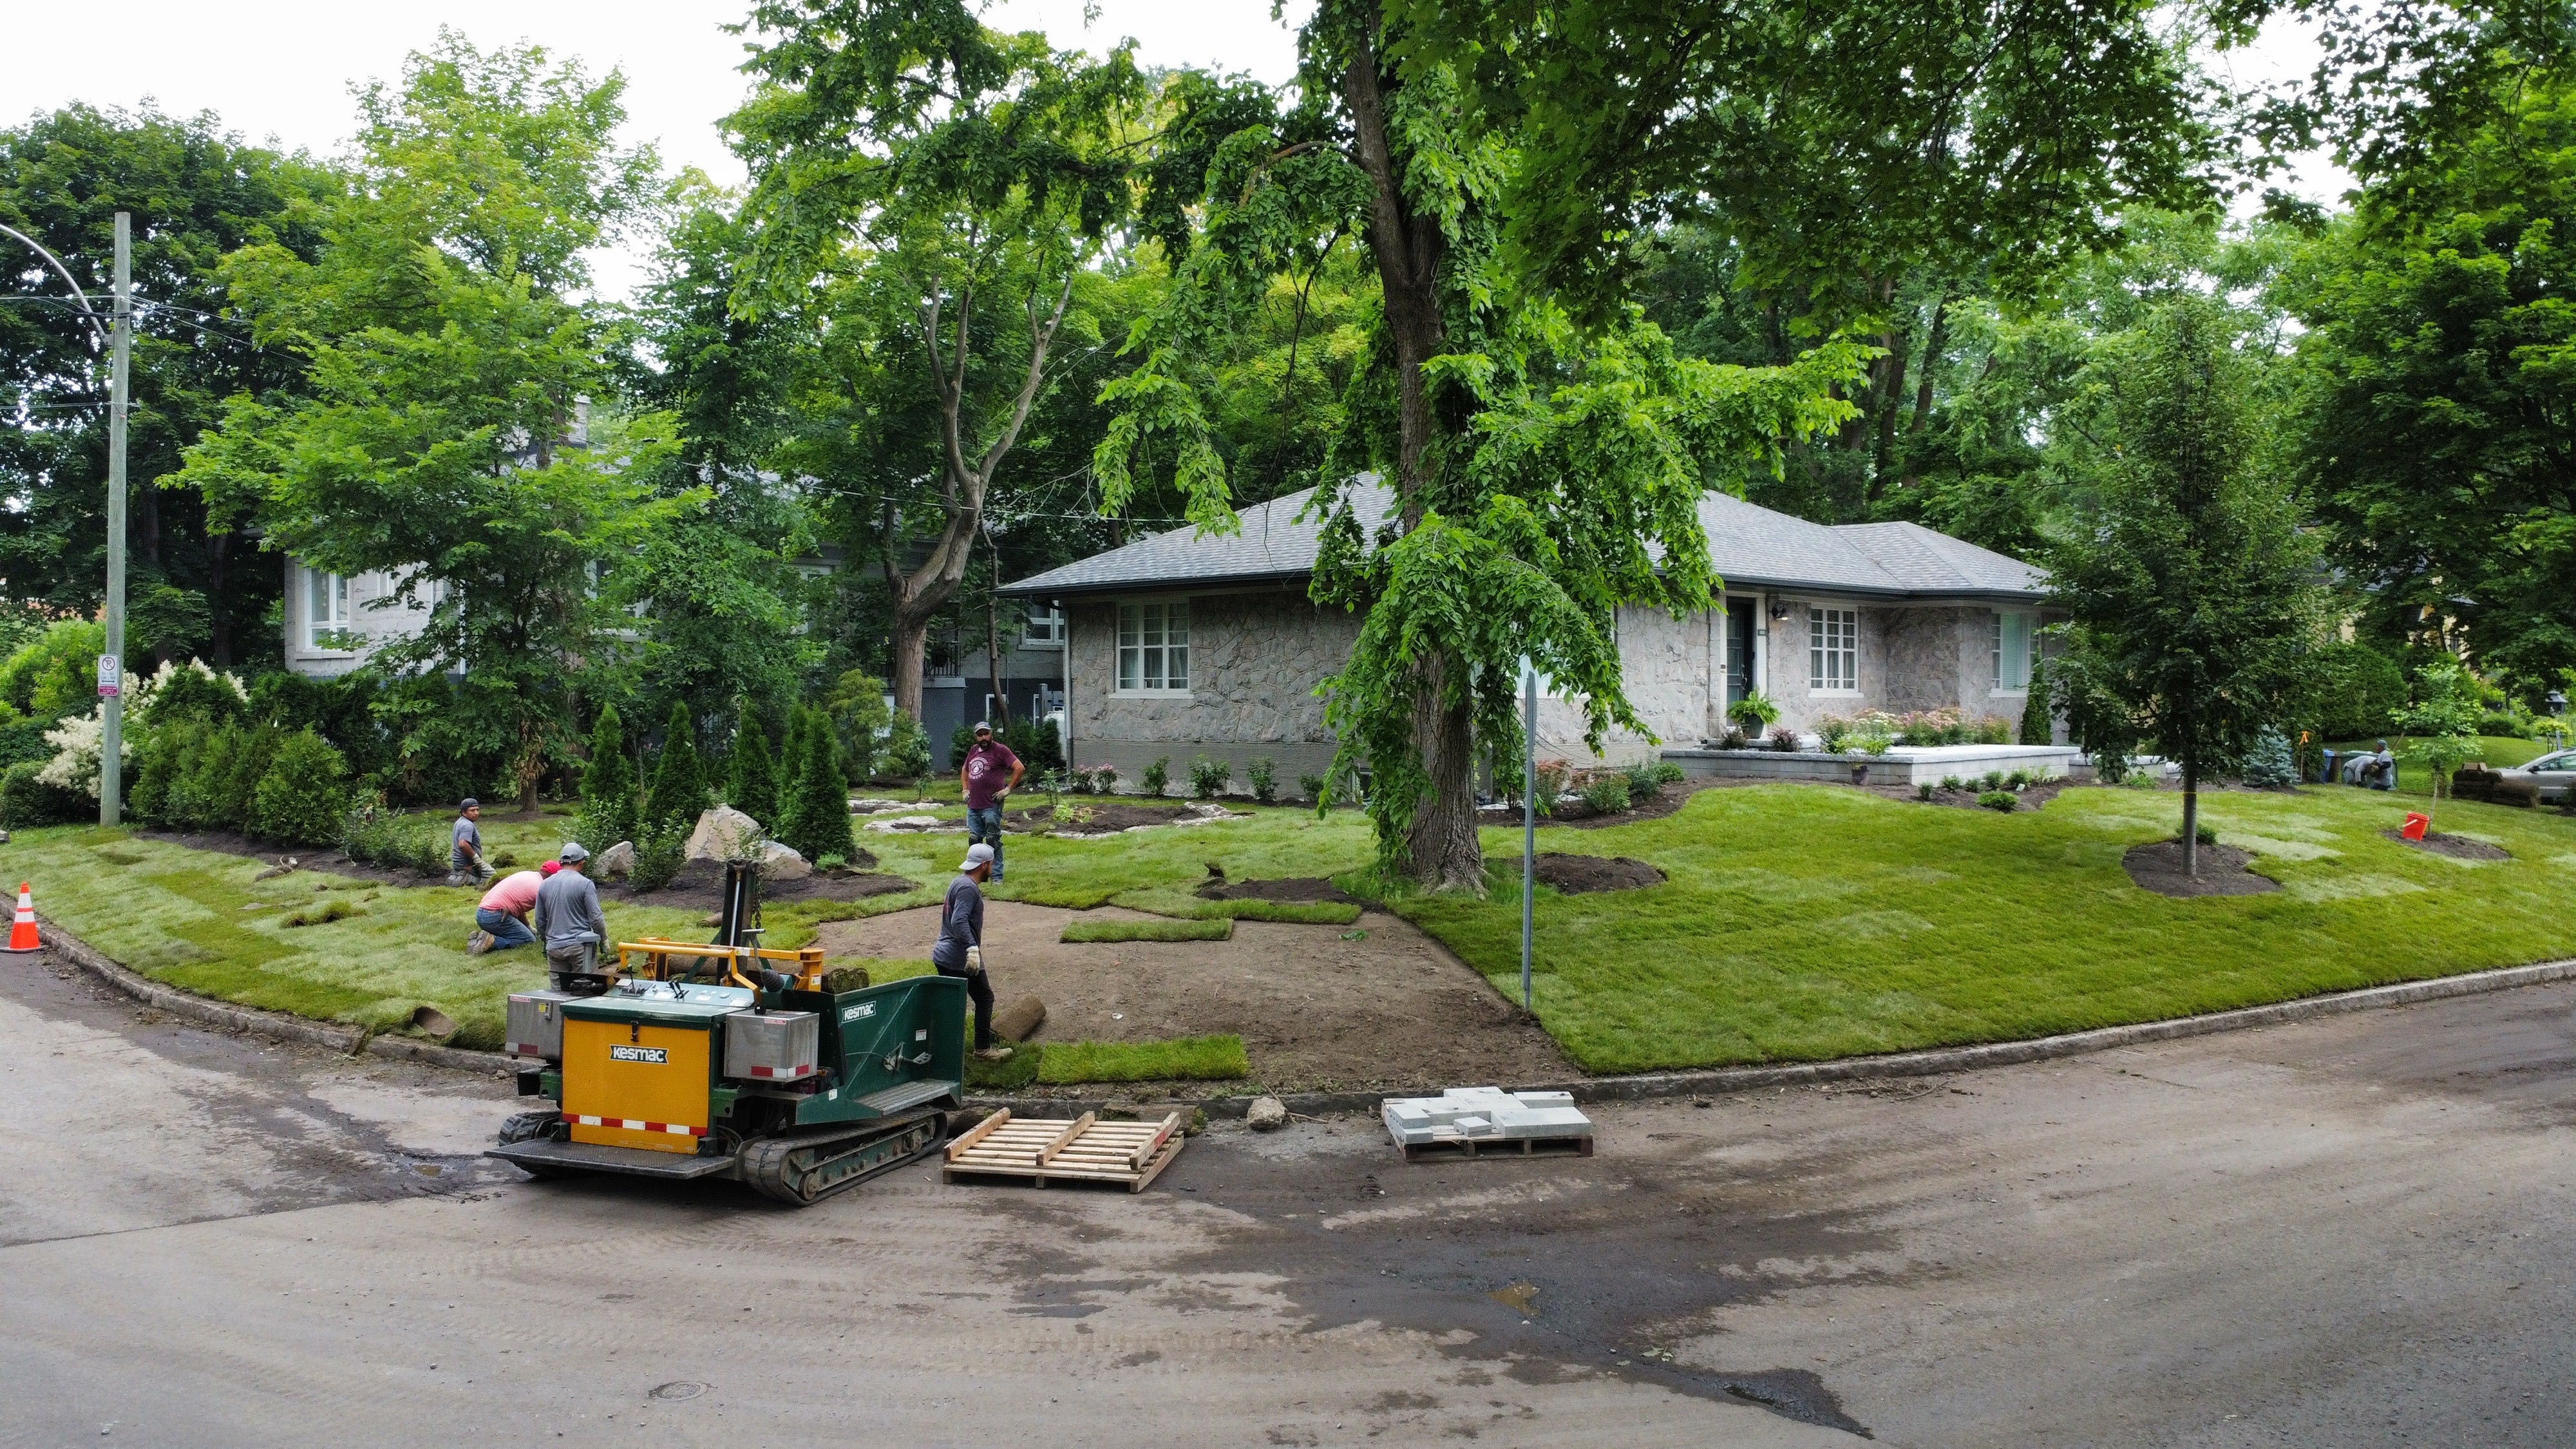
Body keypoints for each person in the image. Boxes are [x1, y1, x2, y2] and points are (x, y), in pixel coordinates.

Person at [931, 842, 1011, 1059]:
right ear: (984, 865)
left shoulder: (959, 881)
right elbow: (958, 921)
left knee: (953, 1006)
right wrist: (972, 949)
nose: (993, 869)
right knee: (985, 998)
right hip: (959, 957)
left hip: (943, 954)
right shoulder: (969, 888)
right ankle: (983, 1050)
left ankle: (944, 1052)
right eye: (992, 864)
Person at [533, 842, 609, 991]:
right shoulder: (585, 884)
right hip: (580, 948)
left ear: (561, 862)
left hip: (554, 947)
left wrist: (546, 939)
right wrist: (603, 939)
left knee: (557, 993)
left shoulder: (545, 884)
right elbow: (596, 918)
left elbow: (539, 920)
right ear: (581, 863)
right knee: (584, 991)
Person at [958, 721, 1024, 884]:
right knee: (974, 840)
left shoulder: (1000, 750)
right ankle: (975, 876)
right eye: (980, 735)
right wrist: (965, 789)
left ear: (991, 734)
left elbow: (1019, 768)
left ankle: (997, 876)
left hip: (991, 805)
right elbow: (965, 770)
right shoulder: (973, 750)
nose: (984, 737)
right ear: (976, 737)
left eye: (986, 734)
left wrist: (1007, 789)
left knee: (993, 840)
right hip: (973, 805)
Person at [468, 867, 544, 955]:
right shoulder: (539, 888)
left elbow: (518, 909)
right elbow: (543, 917)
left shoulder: (528, 875)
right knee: (528, 939)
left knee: (518, 934)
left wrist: (529, 927)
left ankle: (477, 940)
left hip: (482, 913)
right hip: (495, 916)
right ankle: (492, 942)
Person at [448, 798, 490, 886]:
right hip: (467, 865)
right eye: (472, 811)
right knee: (491, 878)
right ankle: (466, 878)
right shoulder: (467, 825)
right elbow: (463, 844)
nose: (476, 813)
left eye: (477, 810)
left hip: (458, 864)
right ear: (464, 812)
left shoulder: (460, 822)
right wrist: (476, 858)